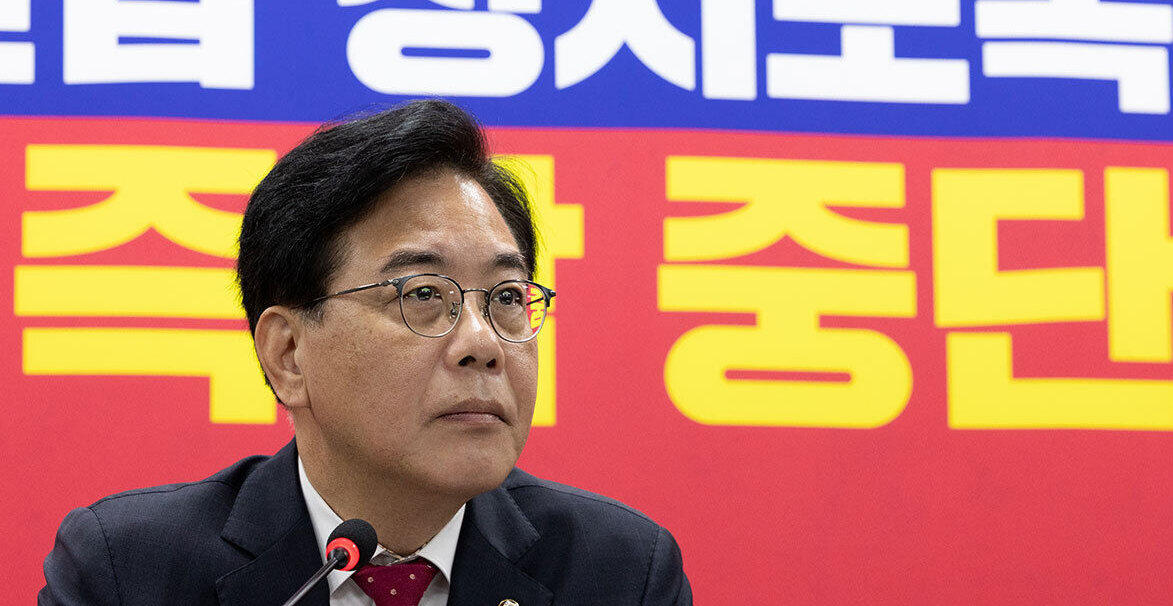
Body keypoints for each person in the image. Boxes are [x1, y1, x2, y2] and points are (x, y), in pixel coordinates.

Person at [39, 100, 691, 605]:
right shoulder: (128, 571)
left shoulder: (619, 574)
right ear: (288, 353)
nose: (482, 344)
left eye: (506, 298)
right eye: (423, 294)